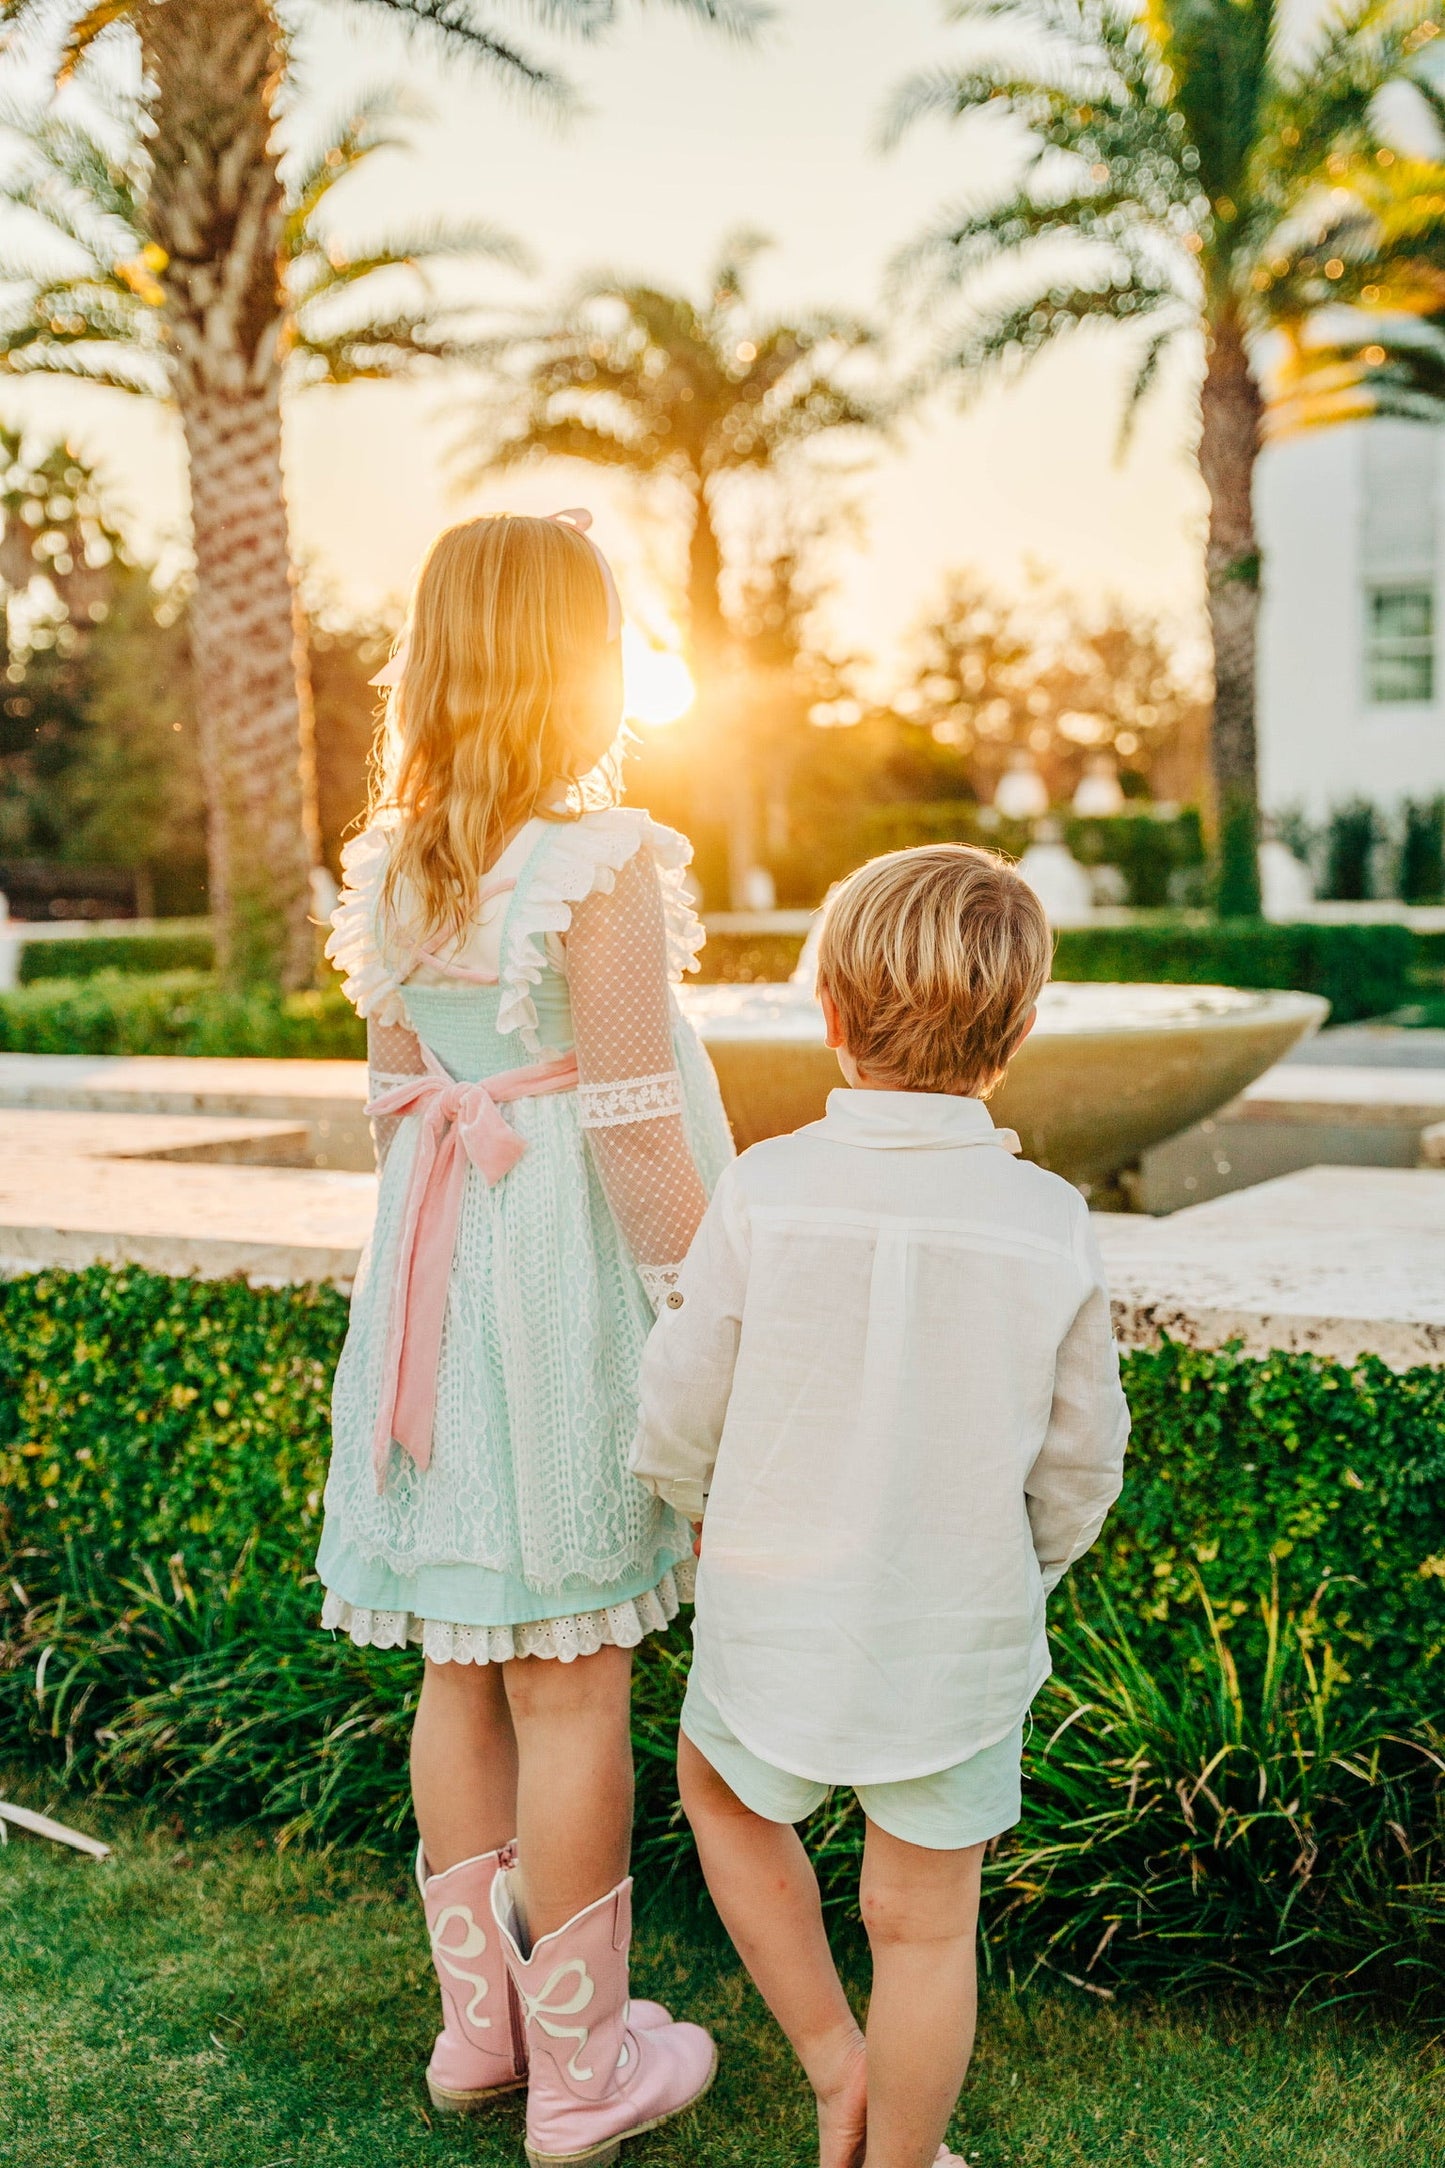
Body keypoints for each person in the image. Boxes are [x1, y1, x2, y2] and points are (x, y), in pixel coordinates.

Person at [319, 511, 733, 2166]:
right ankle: (580, 2078)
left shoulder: (395, 862)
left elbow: (385, 1110)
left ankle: (477, 2037)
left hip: (433, 1281)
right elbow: (637, 1132)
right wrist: (725, 1308)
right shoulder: (597, 858)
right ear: (581, 659)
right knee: (573, 1674)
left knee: (461, 1665)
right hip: (557, 1295)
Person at [630, 844, 1131, 2168]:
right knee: (922, 1922)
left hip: (771, 1600)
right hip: (955, 1622)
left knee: (721, 1795)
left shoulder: (766, 1190)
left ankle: (829, 2063)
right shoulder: (1045, 1220)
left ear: (831, 1013)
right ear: (1014, 1029)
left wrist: (688, 1505)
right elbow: (1079, 1459)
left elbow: (683, 1396)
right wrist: (1022, 1566)